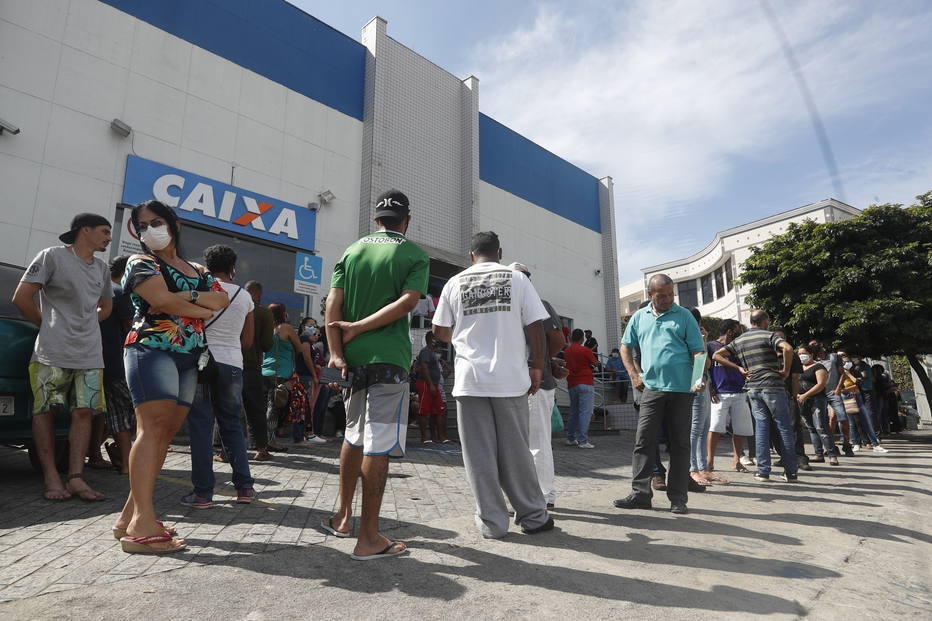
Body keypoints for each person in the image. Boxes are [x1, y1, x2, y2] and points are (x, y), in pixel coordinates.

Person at [113, 200, 229, 554]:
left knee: (164, 433)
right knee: (152, 428)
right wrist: (196, 306)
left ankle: (129, 517)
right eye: (143, 225)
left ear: (174, 223)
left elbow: (221, 302)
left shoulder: (197, 268)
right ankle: (142, 527)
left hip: (189, 355)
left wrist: (184, 298)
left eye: (156, 222)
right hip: (151, 348)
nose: (150, 230)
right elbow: (161, 302)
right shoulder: (140, 262)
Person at [323, 189, 429, 560]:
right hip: (389, 358)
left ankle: (342, 516)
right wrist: (363, 326)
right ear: (407, 220)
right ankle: (368, 538)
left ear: (377, 219)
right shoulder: (414, 253)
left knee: (353, 436)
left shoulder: (351, 251)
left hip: (352, 361)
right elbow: (409, 302)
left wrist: (337, 350)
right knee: (379, 441)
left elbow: (332, 304)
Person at [433, 232, 553, 538]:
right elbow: (535, 325)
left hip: (469, 381)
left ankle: (492, 523)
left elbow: (440, 331)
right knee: (517, 452)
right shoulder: (517, 279)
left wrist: (463, 332)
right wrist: (537, 365)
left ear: (471, 255)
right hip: (510, 379)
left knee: (478, 456)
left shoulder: (454, 283)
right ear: (499, 252)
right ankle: (534, 517)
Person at [12, 213, 114, 501]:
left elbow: (105, 307)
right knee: (46, 412)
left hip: (90, 354)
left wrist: (91, 319)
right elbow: (21, 298)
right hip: (51, 351)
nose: (109, 237)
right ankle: (51, 476)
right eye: (105, 231)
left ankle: (76, 477)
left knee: (84, 413)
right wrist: (48, 326)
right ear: (85, 230)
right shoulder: (52, 256)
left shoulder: (102, 269)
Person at [614, 274, 704, 515]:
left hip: (682, 390)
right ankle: (640, 494)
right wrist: (634, 375)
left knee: (680, 444)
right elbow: (625, 346)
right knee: (643, 440)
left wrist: (698, 378)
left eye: (670, 294)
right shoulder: (639, 317)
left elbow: (698, 351)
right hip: (651, 389)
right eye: (661, 295)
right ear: (650, 294)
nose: (667, 299)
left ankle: (678, 498)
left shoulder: (684, 316)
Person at [181, 245, 256, 508]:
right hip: (233, 365)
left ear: (207, 265)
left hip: (202, 363)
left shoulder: (201, 291)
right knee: (232, 426)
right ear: (233, 268)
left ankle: (202, 493)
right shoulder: (245, 297)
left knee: (201, 426)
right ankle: (245, 488)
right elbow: (247, 341)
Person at [713, 310, 798, 483]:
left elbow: (717, 355)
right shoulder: (770, 335)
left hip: (752, 388)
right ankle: (791, 472)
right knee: (783, 427)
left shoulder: (740, 339)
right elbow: (788, 348)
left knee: (761, 427)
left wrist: (738, 368)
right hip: (773, 386)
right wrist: (786, 371)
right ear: (765, 320)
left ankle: (763, 471)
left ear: (751, 321)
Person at [509, 262, 566, 508]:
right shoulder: (510, 306)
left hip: (537, 383)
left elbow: (557, 339)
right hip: (513, 382)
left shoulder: (539, 305)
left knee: (537, 441)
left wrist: (540, 363)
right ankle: (529, 495)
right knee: (522, 442)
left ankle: (543, 495)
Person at [99, 255, 136, 475]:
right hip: (118, 363)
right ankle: (126, 459)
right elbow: (133, 328)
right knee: (138, 410)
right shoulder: (120, 293)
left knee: (116, 414)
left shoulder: (102, 290)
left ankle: (124, 460)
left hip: (100, 361)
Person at [262, 303, 315, 445]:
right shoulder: (286, 328)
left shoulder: (266, 328)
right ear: (283, 313)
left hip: (264, 370)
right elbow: (299, 348)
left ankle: (261, 440)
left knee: (265, 406)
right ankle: (269, 441)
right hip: (281, 372)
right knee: (274, 407)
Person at [706, 320, 752, 473]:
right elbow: (705, 369)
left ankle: (737, 461)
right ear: (730, 331)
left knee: (740, 429)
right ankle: (709, 462)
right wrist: (710, 388)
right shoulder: (711, 346)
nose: (740, 333)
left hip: (740, 392)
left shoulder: (739, 347)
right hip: (719, 394)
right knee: (715, 428)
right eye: (738, 330)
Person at [242, 281, 274, 460]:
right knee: (256, 408)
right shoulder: (263, 313)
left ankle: (223, 449)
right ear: (259, 294)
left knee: (226, 408)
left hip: (229, 363)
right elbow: (267, 344)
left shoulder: (233, 306)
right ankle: (261, 448)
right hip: (252, 365)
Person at [796, 344, 839, 466]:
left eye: (803, 353)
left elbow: (821, 384)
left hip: (817, 400)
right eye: (799, 354)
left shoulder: (818, 367)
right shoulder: (799, 368)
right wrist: (798, 395)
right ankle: (818, 454)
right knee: (811, 428)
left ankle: (832, 454)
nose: (801, 356)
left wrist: (806, 395)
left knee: (821, 426)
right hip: (802, 401)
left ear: (811, 354)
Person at [564, 329, 598, 449]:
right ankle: (583, 440)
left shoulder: (567, 351)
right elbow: (595, 363)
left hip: (572, 383)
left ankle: (570, 438)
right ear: (582, 338)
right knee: (585, 412)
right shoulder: (585, 350)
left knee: (574, 411)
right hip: (585, 382)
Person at [414, 331, 449, 444]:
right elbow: (424, 368)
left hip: (434, 384)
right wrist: (430, 384)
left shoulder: (432, 352)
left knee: (439, 410)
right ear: (431, 339)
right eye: (435, 338)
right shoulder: (425, 351)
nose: (437, 340)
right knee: (424, 411)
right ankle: (425, 437)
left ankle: (441, 437)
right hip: (426, 384)